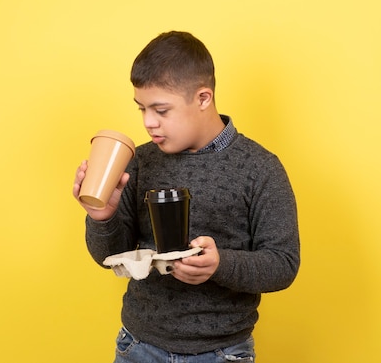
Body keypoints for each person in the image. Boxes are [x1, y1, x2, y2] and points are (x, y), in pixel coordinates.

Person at [72, 31, 300, 363]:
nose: (149, 122)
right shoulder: (140, 161)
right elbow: (108, 256)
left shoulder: (260, 168)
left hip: (223, 353)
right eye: (142, 109)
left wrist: (220, 264)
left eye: (161, 110)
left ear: (203, 98)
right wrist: (102, 217)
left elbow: (284, 264)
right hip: (139, 347)